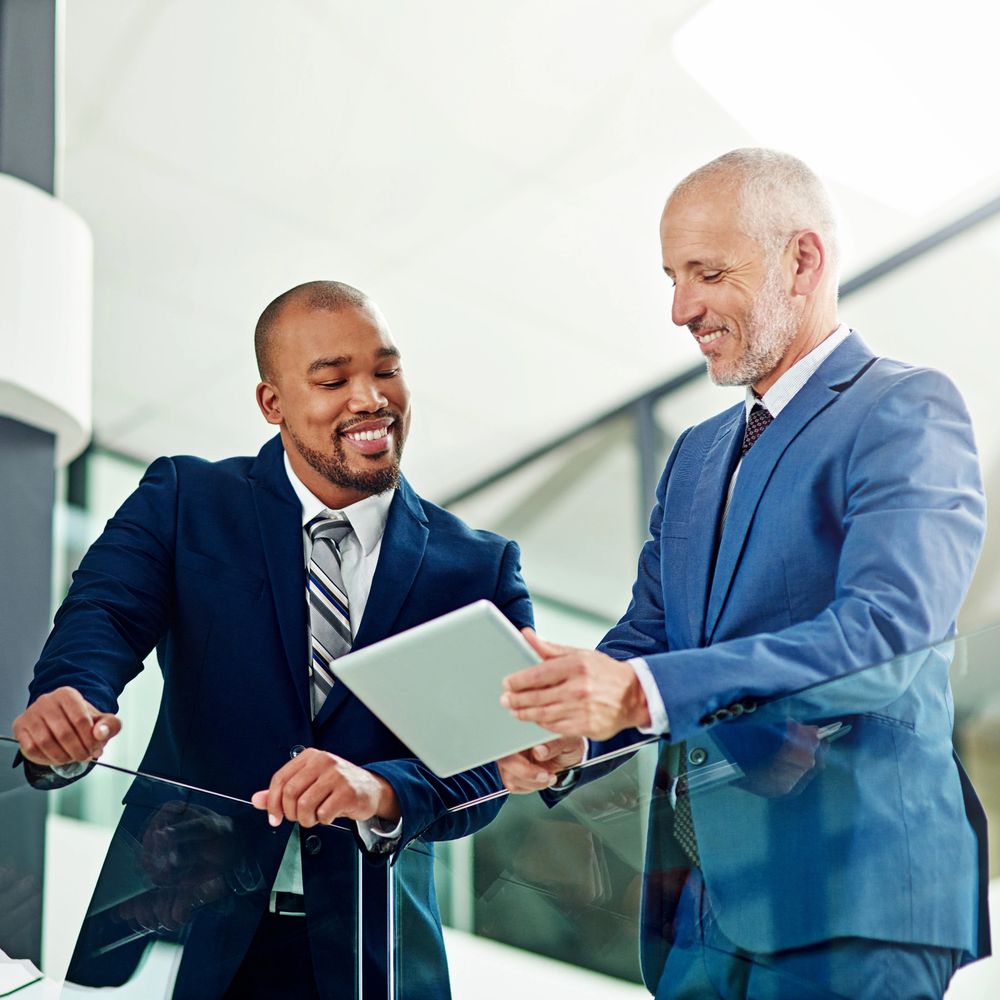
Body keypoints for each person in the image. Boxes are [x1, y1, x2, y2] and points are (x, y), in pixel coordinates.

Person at [497, 149, 988, 998]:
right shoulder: (693, 457)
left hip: (852, 891)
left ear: (803, 260)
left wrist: (639, 690)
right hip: (698, 906)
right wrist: (574, 727)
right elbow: (647, 642)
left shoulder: (904, 409)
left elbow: (885, 634)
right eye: (672, 278)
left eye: (707, 273)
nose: (681, 308)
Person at [11, 280, 533, 1000]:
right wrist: (71, 699)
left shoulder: (476, 566)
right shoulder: (186, 500)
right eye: (333, 379)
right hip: (184, 922)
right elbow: (104, 613)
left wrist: (381, 789)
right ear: (273, 403)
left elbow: (494, 764)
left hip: (371, 951)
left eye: (385, 370)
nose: (369, 398)